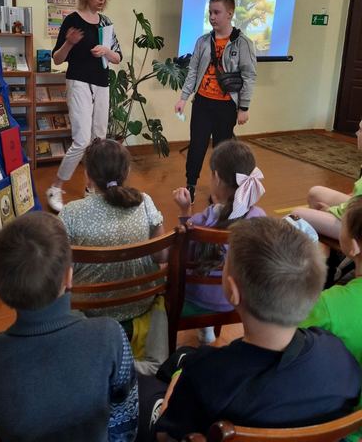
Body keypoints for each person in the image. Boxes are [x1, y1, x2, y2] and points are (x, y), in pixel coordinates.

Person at [148, 217, 361, 441]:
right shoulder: (339, 354)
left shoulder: (205, 372)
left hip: (196, 393)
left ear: (233, 291)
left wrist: (176, 384)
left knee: (165, 377)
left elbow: (165, 436)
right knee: (183, 357)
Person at [0, 211, 138, 442]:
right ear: (69, 277)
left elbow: (0, 427)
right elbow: (126, 420)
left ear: (0, 289)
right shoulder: (109, 336)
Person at [59, 138, 167, 374]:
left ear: (87, 175)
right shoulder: (144, 203)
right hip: (141, 302)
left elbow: (61, 270)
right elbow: (161, 256)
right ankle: (138, 367)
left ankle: (97, 363)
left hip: (90, 309)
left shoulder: (70, 213)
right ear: (126, 172)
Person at [172, 139, 265, 343]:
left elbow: (182, 256)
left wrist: (185, 212)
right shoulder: (259, 218)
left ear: (216, 177)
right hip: (239, 298)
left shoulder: (200, 221)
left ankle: (204, 328)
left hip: (198, 298)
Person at [46, 0, 122, 212]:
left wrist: (106, 51)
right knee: (81, 141)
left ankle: (91, 187)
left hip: (102, 84)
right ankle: (55, 187)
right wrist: (69, 43)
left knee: (98, 141)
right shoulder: (72, 20)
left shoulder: (106, 23)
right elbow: (57, 59)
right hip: (78, 82)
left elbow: (117, 58)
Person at [174, 0, 257, 203]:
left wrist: (244, 107)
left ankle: (222, 190)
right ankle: (190, 185)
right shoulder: (203, 41)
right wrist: (183, 98)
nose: (212, 17)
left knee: (222, 151)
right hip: (203, 103)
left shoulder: (243, 43)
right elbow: (193, 71)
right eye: (210, 12)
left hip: (226, 106)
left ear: (229, 14)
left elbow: (249, 76)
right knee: (197, 145)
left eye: (216, 12)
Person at [301, 196, 362, 442]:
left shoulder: (329, 304)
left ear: (354, 247)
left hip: (337, 425)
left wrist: (317, 266)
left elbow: (281, 332)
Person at [292, 118, 362, 240]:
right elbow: (356, 197)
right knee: (316, 192)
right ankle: (321, 236)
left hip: (357, 222)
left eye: (360, 130)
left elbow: (354, 210)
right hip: (355, 211)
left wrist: (330, 211)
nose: (357, 133)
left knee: (296, 215)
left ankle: (339, 244)